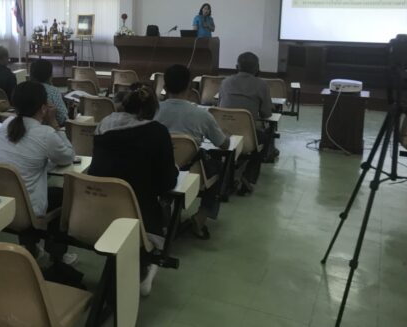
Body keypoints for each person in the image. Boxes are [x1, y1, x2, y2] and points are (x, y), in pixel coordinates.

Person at [89, 83, 178, 296]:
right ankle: (144, 267)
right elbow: (167, 183)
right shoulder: (157, 132)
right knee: (164, 203)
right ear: (151, 110)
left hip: (92, 212)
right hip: (138, 218)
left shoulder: (103, 125)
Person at [155, 64, 229, 239]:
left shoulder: (153, 110)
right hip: (190, 171)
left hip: (156, 169)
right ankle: (201, 218)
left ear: (164, 87)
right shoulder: (202, 115)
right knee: (219, 167)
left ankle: (164, 203)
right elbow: (224, 145)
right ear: (189, 87)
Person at [0, 81, 75, 217]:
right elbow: (68, 157)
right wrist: (54, 123)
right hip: (27, 210)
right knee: (68, 193)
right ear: (43, 108)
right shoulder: (46, 133)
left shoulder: (6, 123)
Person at [218, 52, 276, 186]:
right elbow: (266, 114)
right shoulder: (261, 85)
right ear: (257, 69)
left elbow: (219, 106)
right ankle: (249, 177)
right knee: (266, 137)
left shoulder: (225, 82)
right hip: (248, 137)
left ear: (236, 67)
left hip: (223, 134)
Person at [29, 59, 67, 126]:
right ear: (50, 75)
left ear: (31, 74)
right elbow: (63, 118)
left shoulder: (24, 89)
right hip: (48, 127)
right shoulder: (53, 91)